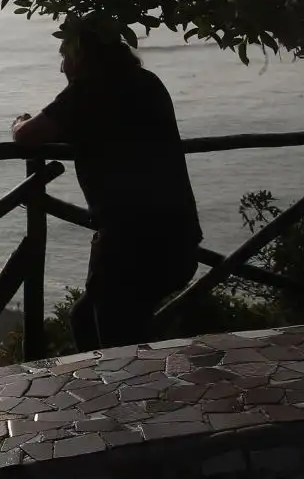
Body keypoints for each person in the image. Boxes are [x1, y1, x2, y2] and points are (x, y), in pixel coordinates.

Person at [11, 22, 203, 350]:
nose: (62, 67)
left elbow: (28, 135)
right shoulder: (147, 82)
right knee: (92, 321)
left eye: (65, 57)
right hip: (179, 236)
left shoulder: (89, 90)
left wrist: (18, 122)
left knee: (118, 345)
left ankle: (131, 383)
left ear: (81, 55)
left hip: (129, 244)